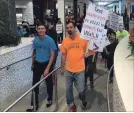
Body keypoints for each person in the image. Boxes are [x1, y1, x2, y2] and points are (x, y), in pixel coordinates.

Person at [26, 24, 57, 112]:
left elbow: (52, 55)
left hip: (47, 64)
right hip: (37, 64)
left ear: (45, 30)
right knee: (35, 85)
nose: (41, 30)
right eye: (39, 29)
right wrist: (32, 63)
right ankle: (33, 104)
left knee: (49, 83)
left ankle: (50, 99)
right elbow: (34, 52)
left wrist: (47, 68)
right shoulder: (36, 39)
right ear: (37, 30)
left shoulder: (50, 40)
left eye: (42, 28)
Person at [61, 21, 87, 112]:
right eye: (67, 28)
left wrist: (87, 54)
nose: (69, 29)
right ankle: (71, 105)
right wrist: (62, 67)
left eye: (71, 27)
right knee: (68, 89)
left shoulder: (82, 39)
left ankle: (83, 99)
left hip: (80, 70)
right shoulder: (65, 41)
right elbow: (63, 55)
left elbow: (88, 50)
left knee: (81, 89)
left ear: (75, 28)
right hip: (69, 69)